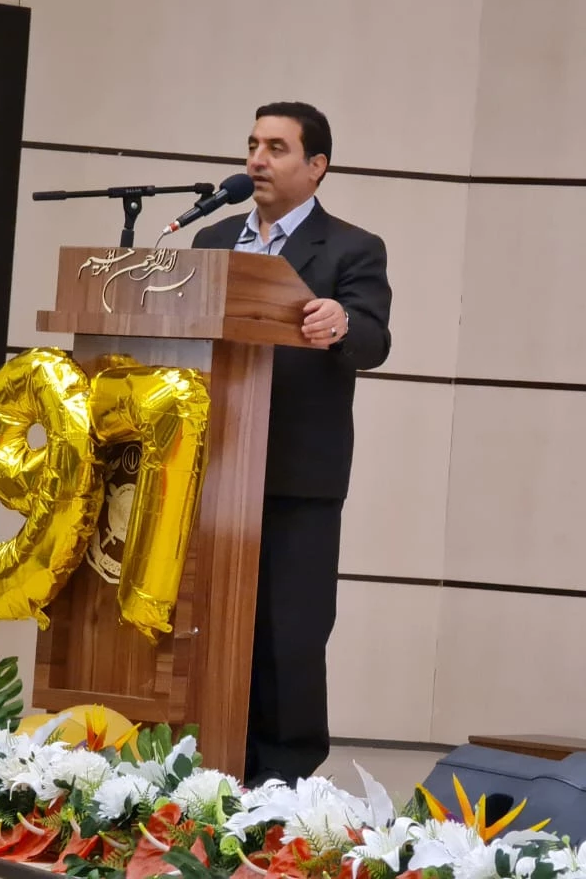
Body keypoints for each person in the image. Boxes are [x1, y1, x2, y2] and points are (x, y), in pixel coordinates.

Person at [191, 101, 392, 786]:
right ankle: (210, 759)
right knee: (207, 623)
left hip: (297, 474)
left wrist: (342, 322)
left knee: (290, 632)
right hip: (212, 466)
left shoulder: (351, 249)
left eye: (276, 148)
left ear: (316, 166)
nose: (257, 159)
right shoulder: (215, 240)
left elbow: (374, 339)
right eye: (253, 144)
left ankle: (283, 779)